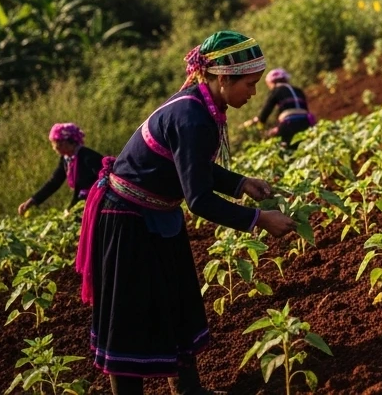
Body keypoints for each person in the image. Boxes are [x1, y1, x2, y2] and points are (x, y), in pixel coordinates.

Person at [75, 31, 295, 395]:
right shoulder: (192, 117)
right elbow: (199, 199)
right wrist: (258, 220)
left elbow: (190, 167)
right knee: (129, 314)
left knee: (177, 300)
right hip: (126, 218)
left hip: (156, 214)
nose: (254, 94)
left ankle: (189, 390)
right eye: (250, 84)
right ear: (223, 79)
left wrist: (240, 183)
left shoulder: (202, 105)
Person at [18, 123, 106, 216]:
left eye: (57, 143)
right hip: (82, 204)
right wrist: (32, 201)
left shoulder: (88, 157)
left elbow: (105, 179)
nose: (54, 147)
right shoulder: (66, 159)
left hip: (96, 204)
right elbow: (54, 182)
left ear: (69, 142)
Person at [243, 68, 316, 151]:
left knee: (287, 151)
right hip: (305, 122)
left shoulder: (276, 91)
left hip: (289, 125)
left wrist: (255, 122)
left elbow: (264, 114)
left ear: (272, 82)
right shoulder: (298, 91)